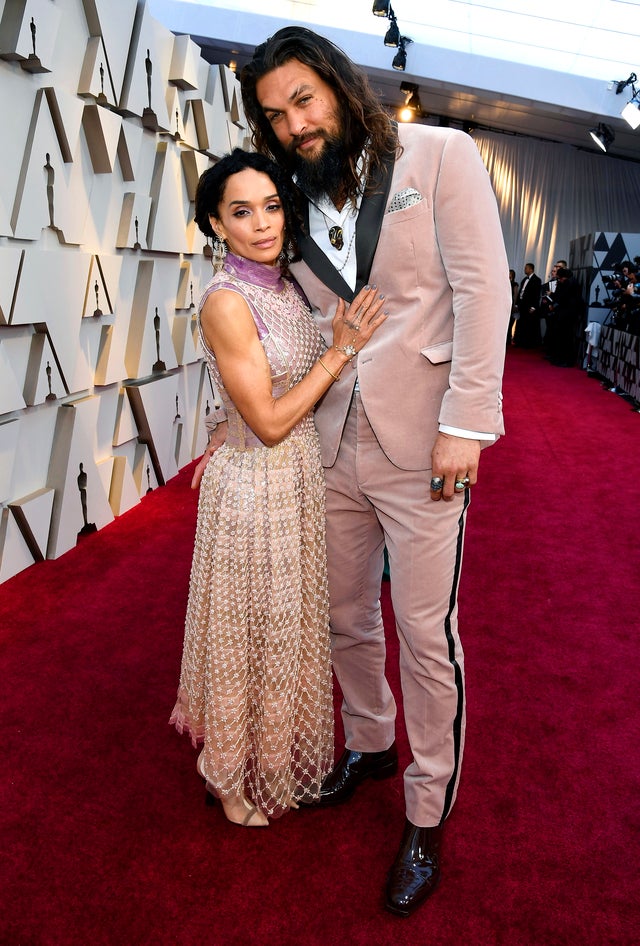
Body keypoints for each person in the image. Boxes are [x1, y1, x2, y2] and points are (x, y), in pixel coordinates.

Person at [238, 27, 511, 914]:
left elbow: (482, 289)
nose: (295, 125)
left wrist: (466, 425)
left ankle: (427, 815)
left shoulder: (441, 154)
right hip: (333, 439)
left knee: (426, 635)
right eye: (276, 117)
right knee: (347, 614)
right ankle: (371, 742)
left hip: (427, 439)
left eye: (304, 101)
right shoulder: (289, 193)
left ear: (340, 88)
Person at [170, 149, 387, 828]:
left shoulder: (285, 283)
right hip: (254, 487)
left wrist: (216, 426)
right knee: (245, 634)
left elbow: (244, 395)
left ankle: (268, 760)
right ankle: (227, 776)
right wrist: (340, 351)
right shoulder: (229, 301)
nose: (262, 224)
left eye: (271, 205)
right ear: (215, 223)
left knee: (285, 630)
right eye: (241, 211)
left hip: (295, 481)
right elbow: (266, 422)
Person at [513, 262, 541, 348]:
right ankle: (519, 341)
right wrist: (517, 304)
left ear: (531, 269)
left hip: (529, 306)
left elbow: (537, 294)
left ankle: (527, 343)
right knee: (521, 323)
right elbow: (521, 292)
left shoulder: (537, 280)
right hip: (522, 305)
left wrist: (534, 306)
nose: (525, 270)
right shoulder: (524, 280)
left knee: (528, 325)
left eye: (526, 268)